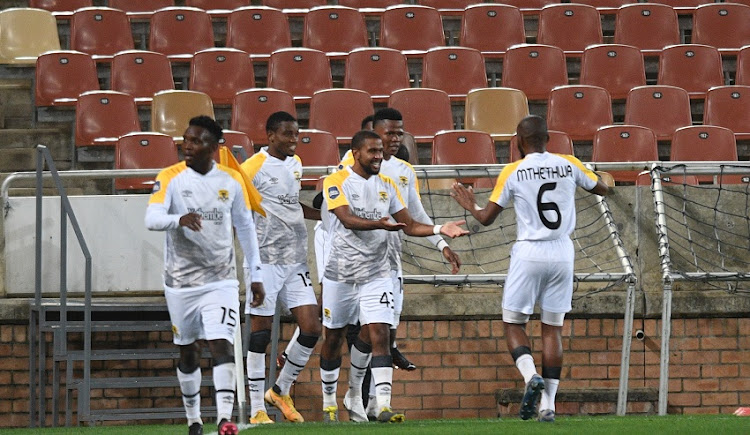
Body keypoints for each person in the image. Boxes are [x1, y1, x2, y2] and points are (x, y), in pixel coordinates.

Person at [450, 115, 610, 423]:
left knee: (513, 323)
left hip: (529, 251)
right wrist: (594, 179)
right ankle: (548, 405)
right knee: (553, 329)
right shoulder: (569, 163)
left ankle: (529, 376)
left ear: (519, 142)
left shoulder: (513, 170)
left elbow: (486, 218)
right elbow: (602, 188)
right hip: (563, 251)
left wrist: (471, 205)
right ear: (547, 138)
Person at [318, 130, 469, 423]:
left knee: (380, 333)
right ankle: (328, 402)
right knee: (334, 337)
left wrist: (440, 231)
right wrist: (379, 224)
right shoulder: (336, 181)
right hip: (342, 274)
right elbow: (347, 219)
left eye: (379, 151)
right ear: (356, 153)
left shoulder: (388, 184)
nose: (378, 156)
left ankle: (380, 403)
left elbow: (409, 224)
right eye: (372, 151)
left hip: (377, 273)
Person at [145, 115, 265, 435]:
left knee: (221, 343)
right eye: (186, 139)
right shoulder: (170, 178)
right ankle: (194, 418)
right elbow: (152, 217)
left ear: (213, 147)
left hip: (220, 280)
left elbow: (246, 228)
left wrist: (255, 274)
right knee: (188, 351)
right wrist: (178, 220)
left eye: (196, 141)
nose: (187, 145)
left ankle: (224, 418)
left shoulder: (230, 180)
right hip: (180, 283)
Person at [239, 111, 322, 424]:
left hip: (295, 258)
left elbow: (290, 204)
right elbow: (239, 210)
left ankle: (280, 389)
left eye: (296, 134)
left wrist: (326, 216)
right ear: (270, 135)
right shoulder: (252, 168)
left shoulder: (296, 163)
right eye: (287, 134)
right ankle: (257, 410)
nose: (293, 140)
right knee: (260, 336)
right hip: (265, 261)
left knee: (312, 327)